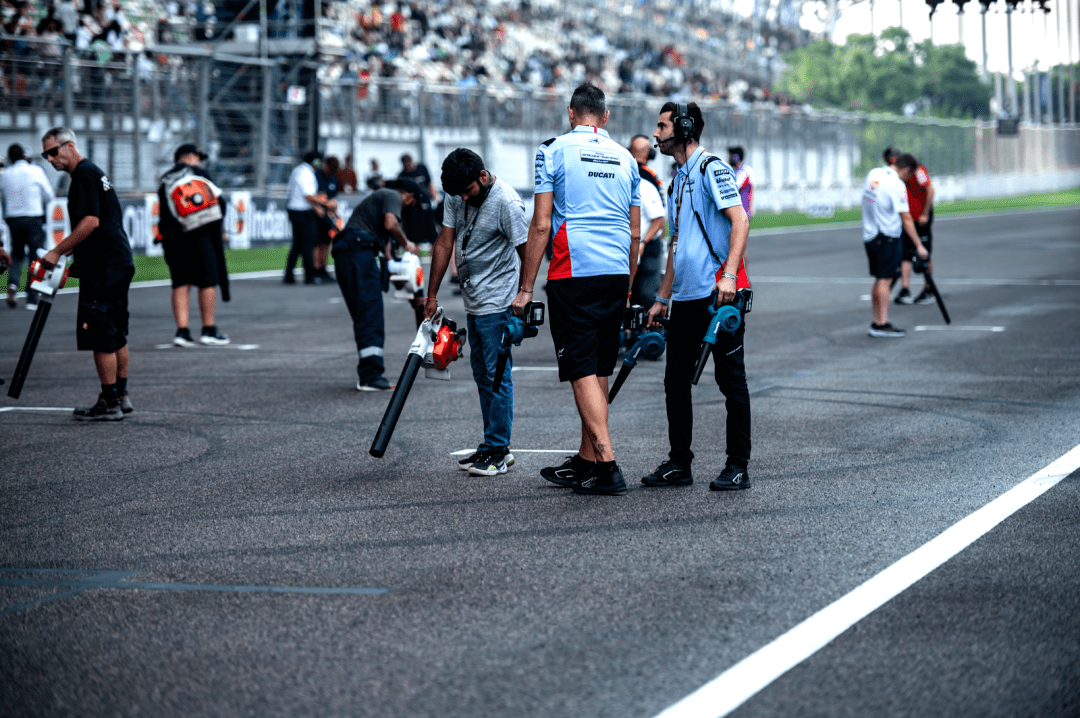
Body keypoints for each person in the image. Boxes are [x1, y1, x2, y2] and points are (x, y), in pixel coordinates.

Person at [511, 82, 641, 496]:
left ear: (571, 113)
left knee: (581, 369)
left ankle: (607, 464)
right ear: (605, 117)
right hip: (616, 269)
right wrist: (628, 287)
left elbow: (541, 224)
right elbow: (635, 234)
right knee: (599, 368)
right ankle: (587, 459)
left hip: (574, 269)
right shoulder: (626, 157)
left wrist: (526, 288)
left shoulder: (552, 150)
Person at [642, 102, 753, 492]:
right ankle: (679, 463)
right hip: (686, 299)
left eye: (662, 126)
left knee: (730, 381)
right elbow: (677, 245)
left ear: (685, 128)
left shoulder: (711, 168)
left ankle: (737, 466)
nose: (656, 134)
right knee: (674, 381)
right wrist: (662, 297)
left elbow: (740, 220)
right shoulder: (676, 181)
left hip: (719, 296)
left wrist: (729, 277)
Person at [424, 148, 529, 477]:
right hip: (475, 299)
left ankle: (498, 449)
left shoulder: (506, 202)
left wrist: (525, 294)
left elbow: (528, 251)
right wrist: (431, 294)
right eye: (459, 194)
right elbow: (445, 242)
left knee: (497, 376)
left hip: (499, 303)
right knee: (483, 374)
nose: (464, 199)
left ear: (483, 176)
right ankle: (493, 445)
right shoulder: (457, 194)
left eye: (469, 191)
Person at [39, 126, 135, 420]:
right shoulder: (93, 172)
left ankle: (109, 402)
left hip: (103, 265)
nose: (50, 159)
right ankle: (120, 395)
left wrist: (57, 251)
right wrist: (72, 252)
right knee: (116, 331)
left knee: (100, 333)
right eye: (45, 155)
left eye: (53, 151)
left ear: (69, 146)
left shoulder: (82, 175)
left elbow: (90, 222)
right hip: (117, 260)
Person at [332, 178, 421, 391]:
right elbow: (391, 224)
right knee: (370, 314)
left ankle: (369, 372)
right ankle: (370, 376)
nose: (407, 208)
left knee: (364, 313)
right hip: (358, 251)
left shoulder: (375, 217)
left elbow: (388, 258)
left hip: (351, 252)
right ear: (408, 195)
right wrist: (407, 244)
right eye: (412, 203)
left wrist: (410, 291)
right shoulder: (391, 195)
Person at [156, 143, 230, 347]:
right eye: (197, 157)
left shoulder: (165, 179)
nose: (198, 162)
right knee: (207, 281)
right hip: (201, 235)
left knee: (180, 282)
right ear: (188, 157)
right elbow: (219, 202)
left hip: (172, 239)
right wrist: (220, 230)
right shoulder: (198, 173)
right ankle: (208, 329)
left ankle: (182, 331)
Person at [861, 150, 928, 338]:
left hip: (870, 234)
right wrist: (918, 245)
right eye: (909, 175)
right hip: (887, 236)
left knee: (879, 279)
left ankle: (877, 320)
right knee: (885, 280)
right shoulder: (896, 185)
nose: (907, 179)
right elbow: (906, 218)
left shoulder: (874, 174)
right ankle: (881, 323)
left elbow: (869, 199)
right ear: (905, 170)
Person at [1, 143, 54, 310]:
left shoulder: (5, 174)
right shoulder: (36, 171)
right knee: (35, 256)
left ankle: (13, 284)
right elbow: (49, 195)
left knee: (16, 254)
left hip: (13, 219)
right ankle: (32, 297)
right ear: (25, 156)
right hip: (33, 217)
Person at [284, 150, 336, 285]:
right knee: (308, 244)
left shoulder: (299, 170)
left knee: (297, 244)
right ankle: (309, 275)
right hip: (301, 211)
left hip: (297, 210)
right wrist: (326, 203)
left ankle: (289, 275)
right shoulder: (306, 173)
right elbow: (308, 196)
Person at [628, 134, 666, 309]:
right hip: (644, 243)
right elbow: (661, 217)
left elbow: (658, 217)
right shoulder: (651, 177)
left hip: (642, 243)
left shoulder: (627, 175)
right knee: (646, 294)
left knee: (638, 293)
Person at [895, 153, 936, 306]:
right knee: (905, 254)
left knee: (924, 254)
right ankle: (905, 289)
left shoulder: (919, 172)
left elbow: (930, 190)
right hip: (908, 219)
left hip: (921, 217)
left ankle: (929, 289)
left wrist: (925, 213)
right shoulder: (899, 175)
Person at [313, 155, 341, 282]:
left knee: (326, 241)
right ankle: (316, 269)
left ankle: (323, 268)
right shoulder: (317, 176)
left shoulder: (333, 178)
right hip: (316, 213)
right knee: (317, 243)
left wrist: (333, 208)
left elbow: (332, 196)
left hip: (328, 214)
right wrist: (321, 204)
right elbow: (315, 195)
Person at [728, 145, 755, 220]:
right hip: (738, 212)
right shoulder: (737, 171)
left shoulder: (745, 170)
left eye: (730, 156)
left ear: (736, 157)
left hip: (743, 212)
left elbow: (734, 188)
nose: (728, 159)